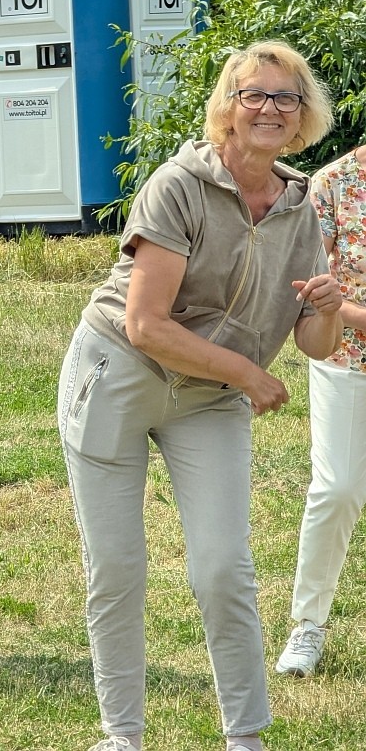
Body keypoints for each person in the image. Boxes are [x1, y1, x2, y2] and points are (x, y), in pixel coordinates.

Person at [57, 41, 342, 751]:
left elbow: (312, 341)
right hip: (118, 372)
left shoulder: (300, 205)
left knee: (223, 567)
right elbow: (145, 324)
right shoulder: (178, 184)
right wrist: (248, 373)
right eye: (254, 94)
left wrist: (330, 308)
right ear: (229, 106)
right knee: (117, 568)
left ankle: (245, 736)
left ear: (303, 115)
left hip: (209, 397)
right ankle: (122, 736)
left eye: (286, 97)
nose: (270, 109)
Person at [274, 143, 366, 678]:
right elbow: (308, 287)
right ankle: (308, 626)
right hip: (347, 357)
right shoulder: (332, 184)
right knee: (338, 490)